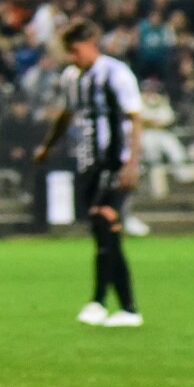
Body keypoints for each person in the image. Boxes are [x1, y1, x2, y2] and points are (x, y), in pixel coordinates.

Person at [34, 20, 144, 327]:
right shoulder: (72, 77)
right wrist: (47, 147)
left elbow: (135, 120)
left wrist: (132, 164)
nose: (73, 57)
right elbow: (66, 116)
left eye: (75, 50)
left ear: (91, 43)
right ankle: (128, 309)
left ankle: (97, 301)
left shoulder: (116, 74)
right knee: (104, 234)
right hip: (89, 163)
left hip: (115, 161)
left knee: (103, 217)